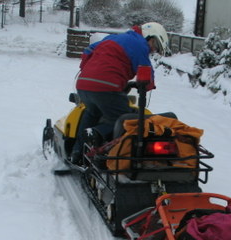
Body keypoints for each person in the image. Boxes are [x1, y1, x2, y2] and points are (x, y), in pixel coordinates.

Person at [70, 22, 169, 165]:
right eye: (155, 44)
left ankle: (78, 151)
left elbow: (88, 51)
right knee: (125, 120)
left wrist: (89, 70)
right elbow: (145, 68)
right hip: (106, 86)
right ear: (149, 35)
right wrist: (148, 85)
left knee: (91, 113)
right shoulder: (140, 43)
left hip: (83, 83)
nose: (153, 49)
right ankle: (97, 136)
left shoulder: (114, 38)